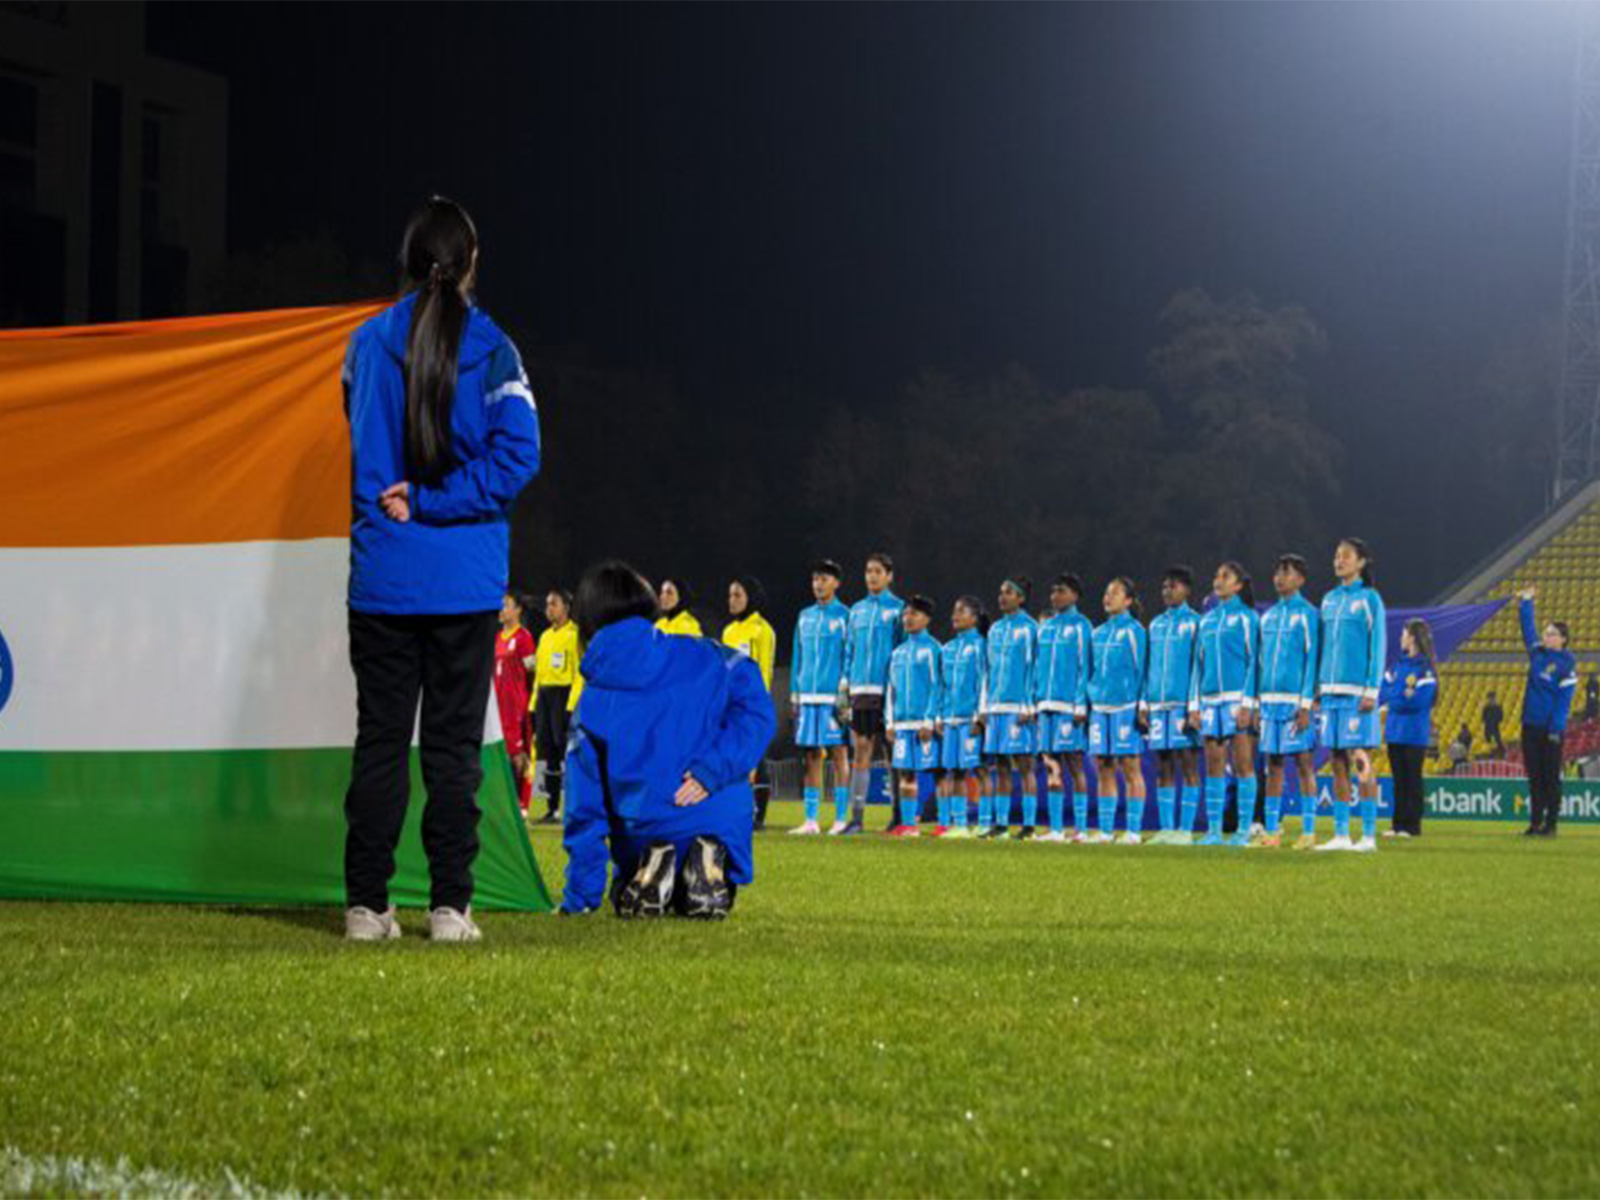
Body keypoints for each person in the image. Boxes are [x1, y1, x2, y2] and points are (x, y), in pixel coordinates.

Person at [341, 196, 541, 942]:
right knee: (454, 752)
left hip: (384, 580)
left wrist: (415, 500)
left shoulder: (365, 344)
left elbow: (359, 433)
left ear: (407, 259)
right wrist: (438, 500)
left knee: (381, 743)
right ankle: (451, 908)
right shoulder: (495, 349)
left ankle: (366, 907)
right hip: (462, 584)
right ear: (471, 263)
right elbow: (519, 457)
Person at [560, 562, 776, 918]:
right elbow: (758, 710)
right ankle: (704, 869)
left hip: (645, 825)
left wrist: (580, 898)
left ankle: (652, 869)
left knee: (626, 888)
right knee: (715, 826)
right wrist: (713, 770)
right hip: (718, 814)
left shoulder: (591, 701)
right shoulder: (710, 655)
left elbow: (584, 811)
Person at [1312, 537, 1386, 854]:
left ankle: (1368, 836)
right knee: (1337, 762)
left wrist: (1371, 689)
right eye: (1336, 556)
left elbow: (1378, 645)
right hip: (1330, 694)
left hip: (1358, 695)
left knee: (1361, 760)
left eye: (1345, 556)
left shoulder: (1370, 599)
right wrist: (1317, 688)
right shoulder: (1328, 600)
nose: (1338, 561)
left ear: (1361, 562)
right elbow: (1322, 647)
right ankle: (1341, 834)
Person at [1192, 562, 1262, 847]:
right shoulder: (1206, 621)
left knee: (1243, 764)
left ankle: (1243, 830)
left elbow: (1255, 662)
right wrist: (1194, 705)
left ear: (1238, 585)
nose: (1218, 580)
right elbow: (1197, 666)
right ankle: (1214, 831)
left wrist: (1249, 703)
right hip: (1210, 701)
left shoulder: (1248, 618)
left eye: (1225, 576)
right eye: (1216, 576)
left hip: (1236, 700)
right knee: (1213, 766)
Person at [1258, 554, 1319, 850]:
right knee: (1273, 766)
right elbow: (1259, 663)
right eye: (1277, 572)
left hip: (1295, 704)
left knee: (1304, 763)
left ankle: (1309, 831)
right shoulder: (1268, 616)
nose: (1279, 578)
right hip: (1268, 704)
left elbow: (1312, 660)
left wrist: (1305, 704)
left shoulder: (1308, 614)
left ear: (1300, 579)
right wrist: (1256, 702)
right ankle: (1272, 832)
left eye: (1287, 572)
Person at [843, 553, 905, 832]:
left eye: (878, 571)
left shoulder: (899, 609)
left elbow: (903, 651)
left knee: (892, 755)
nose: (872, 576)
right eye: (868, 571)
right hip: (860, 692)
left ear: (889, 576)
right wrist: (845, 685)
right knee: (861, 753)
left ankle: (898, 816)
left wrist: (899, 688)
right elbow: (849, 650)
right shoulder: (856, 610)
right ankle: (856, 819)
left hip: (888, 692)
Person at [789, 560, 852, 835]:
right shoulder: (804, 616)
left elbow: (849, 655)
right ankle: (811, 820)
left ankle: (841, 818)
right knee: (811, 756)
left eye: (824, 579)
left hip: (833, 697)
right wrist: (795, 694)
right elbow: (797, 655)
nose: (818, 584)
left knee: (839, 754)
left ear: (836, 583)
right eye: (815, 579)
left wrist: (844, 691)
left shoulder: (846, 615)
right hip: (807, 696)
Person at [1141, 565, 1203, 845]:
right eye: (1165, 586)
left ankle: (1185, 830)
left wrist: (1194, 705)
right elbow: (1148, 667)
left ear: (1186, 590)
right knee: (1163, 767)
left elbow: (1198, 668)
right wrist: (1144, 702)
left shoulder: (1196, 623)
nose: (1167, 591)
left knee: (1188, 765)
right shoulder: (1155, 624)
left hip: (1182, 706)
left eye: (1173, 586)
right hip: (1158, 706)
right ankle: (1167, 828)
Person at [1087, 577, 1148, 845]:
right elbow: (1090, 671)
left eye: (1114, 593)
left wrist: (1142, 704)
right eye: (1106, 592)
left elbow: (1143, 670)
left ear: (1128, 601)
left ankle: (1133, 831)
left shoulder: (1135, 631)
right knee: (1104, 767)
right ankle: (1105, 831)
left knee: (1130, 767)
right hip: (1100, 709)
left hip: (1126, 707)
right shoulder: (1097, 633)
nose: (1107, 597)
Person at [1034, 573, 1094, 843]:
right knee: (1052, 767)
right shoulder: (1045, 628)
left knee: (1075, 766)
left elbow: (1085, 667)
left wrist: (1081, 703)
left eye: (1061, 591)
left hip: (1069, 705)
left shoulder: (1082, 625)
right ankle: (1056, 829)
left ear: (1074, 595)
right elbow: (1037, 666)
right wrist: (1035, 700)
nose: (1055, 595)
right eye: (1053, 591)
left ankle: (1081, 829)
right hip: (1045, 705)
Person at [977, 576, 1038, 838]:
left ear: (1021, 598)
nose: (1003, 597)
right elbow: (987, 671)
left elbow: (1034, 669)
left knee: (1024, 766)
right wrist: (984, 706)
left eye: (1009, 592)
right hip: (995, 707)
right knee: (1000, 766)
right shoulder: (994, 629)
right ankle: (1001, 824)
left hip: (1018, 707)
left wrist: (1030, 705)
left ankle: (1029, 825)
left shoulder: (1030, 628)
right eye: (1001, 592)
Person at [1516, 585, 1578, 837]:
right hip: (1530, 725)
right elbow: (1527, 629)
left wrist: (1555, 729)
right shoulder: (1538, 655)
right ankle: (1534, 823)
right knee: (1534, 777)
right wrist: (1526, 602)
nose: (1546, 635)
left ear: (1563, 639)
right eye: (1547, 632)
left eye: (1552, 633)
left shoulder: (1567, 665)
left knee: (1550, 777)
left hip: (1550, 730)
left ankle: (1551, 824)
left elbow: (1563, 702)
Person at [722, 577, 778, 830]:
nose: (732, 600)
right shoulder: (728, 631)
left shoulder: (762, 630)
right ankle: (736, 812)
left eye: (737, 595)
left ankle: (759, 816)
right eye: (730, 595)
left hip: (752, 706)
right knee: (734, 758)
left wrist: (757, 705)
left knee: (757, 758)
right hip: (730, 706)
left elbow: (765, 670)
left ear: (750, 597)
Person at [885, 596, 944, 837]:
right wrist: (890, 722)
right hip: (902, 724)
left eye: (914, 614)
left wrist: (930, 721)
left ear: (927, 619)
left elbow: (938, 687)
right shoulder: (897, 653)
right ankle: (909, 824)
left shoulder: (934, 649)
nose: (908, 618)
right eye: (906, 614)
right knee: (905, 773)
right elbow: (891, 689)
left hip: (924, 723)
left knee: (937, 772)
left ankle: (944, 823)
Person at [936, 596, 989, 839]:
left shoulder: (981, 646)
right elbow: (940, 686)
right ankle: (960, 824)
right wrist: (939, 716)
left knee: (979, 770)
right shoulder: (947, 648)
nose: (954, 616)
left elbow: (985, 681)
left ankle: (985, 823)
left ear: (974, 618)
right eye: (954, 611)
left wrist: (980, 715)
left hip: (970, 718)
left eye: (961, 611)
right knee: (955, 771)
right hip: (950, 719)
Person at [1380, 618, 1438, 838]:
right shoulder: (1397, 665)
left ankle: (1412, 826)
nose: (1401, 638)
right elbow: (1383, 691)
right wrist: (1400, 696)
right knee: (1398, 781)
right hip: (1394, 731)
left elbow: (1419, 701)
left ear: (1412, 637)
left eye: (1404, 634)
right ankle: (1397, 825)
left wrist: (1394, 700)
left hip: (1414, 733)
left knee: (1412, 779)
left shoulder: (1425, 669)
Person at [531, 588, 579, 823]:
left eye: (554, 604)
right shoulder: (544, 636)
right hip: (545, 698)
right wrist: (533, 704)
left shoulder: (575, 634)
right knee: (547, 753)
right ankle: (552, 808)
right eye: (547, 604)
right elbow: (539, 675)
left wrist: (571, 705)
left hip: (563, 696)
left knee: (566, 754)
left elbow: (580, 674)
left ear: (566, 608)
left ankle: (574, 807)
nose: (548, 609)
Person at [493, 592, 537, 812]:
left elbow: (532, 671)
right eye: (501, 605)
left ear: (518, 610)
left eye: (506, 605)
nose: (502, 610)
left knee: (518, 756)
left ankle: (522, 803)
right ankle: (505, 801)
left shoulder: (524, 638)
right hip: (498, 707)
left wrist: (525, 699)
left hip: (516, 707)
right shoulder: (497, 638)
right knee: (502, 754)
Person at [1482, 690, 1506, 758]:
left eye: (1492, 698)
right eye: (1489, 698)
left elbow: (1501, 717)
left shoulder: (1498, 707)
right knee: (1488, 741)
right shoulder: (1486, 708)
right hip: (1488, 727)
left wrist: (1495, 720)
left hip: (1496, 727)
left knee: (1498, 741)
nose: (1490, 700)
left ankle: (1501, 753)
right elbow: (1483, 718)